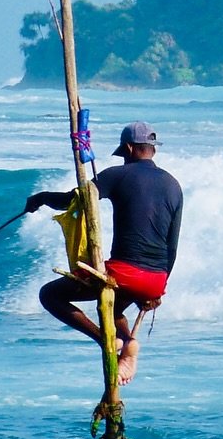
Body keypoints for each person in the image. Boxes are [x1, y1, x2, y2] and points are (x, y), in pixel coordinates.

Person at [26, 121, 183, 385]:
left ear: (130, 148)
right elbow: (173, 245)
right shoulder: (174, 185)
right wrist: (158, 291)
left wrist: (40, 198)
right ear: (152, 150)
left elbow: (72, 200)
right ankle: (129, 345)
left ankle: (107, 339)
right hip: (156, 279)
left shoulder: (118, 175)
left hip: (124, 273)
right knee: (115, 309)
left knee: (50, 295)